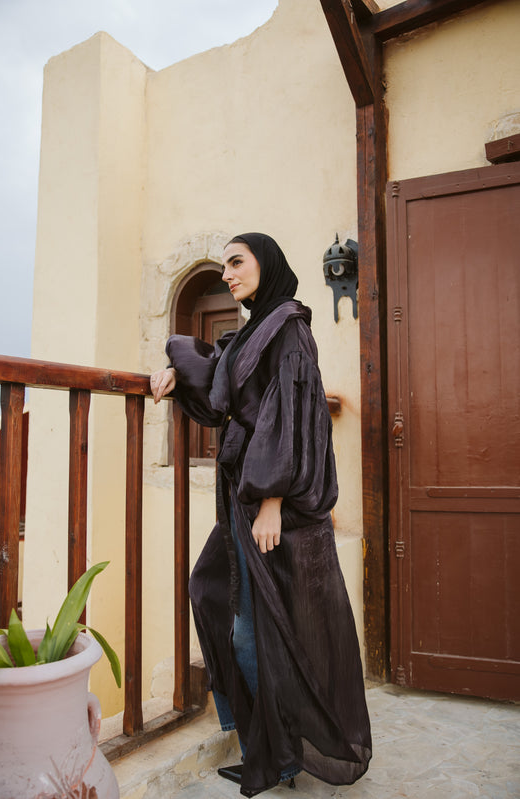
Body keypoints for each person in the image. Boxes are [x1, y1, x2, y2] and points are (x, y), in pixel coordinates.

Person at [150, 233, 371, 797]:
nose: (227, 274)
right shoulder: (256, 328)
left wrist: (272, 501)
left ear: (265, 264)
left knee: (255, 629)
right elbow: (220, 382)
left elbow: (294, 414)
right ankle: (269, 747)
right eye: (223, 264)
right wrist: (175, 374)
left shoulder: (288, 329)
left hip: (270, 502)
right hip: (242, 496)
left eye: (236, 262)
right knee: (213, 591)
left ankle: (276, 755)